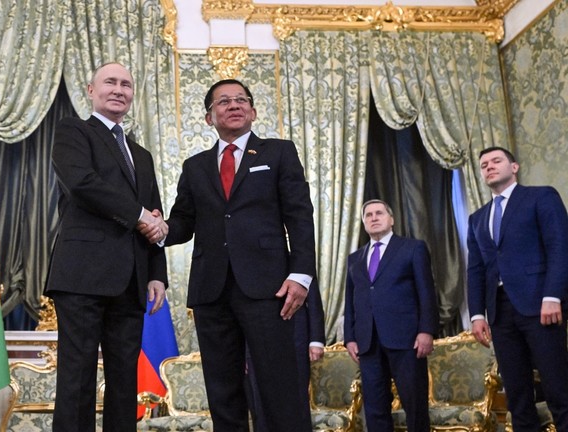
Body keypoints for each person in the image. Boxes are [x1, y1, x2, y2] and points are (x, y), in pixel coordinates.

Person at [144, 78, 321, 431]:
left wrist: (300, 275)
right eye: (223, 102)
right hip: (212, 291)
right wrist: (161, 228)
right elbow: (184, 221)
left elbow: (299, 216)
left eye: (241, 100)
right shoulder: (195, 167)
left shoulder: (278, 152)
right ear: (209, 117)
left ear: (253, 111)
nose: (234, 105)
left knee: (280, 386)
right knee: (223, 389)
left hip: (270, 288)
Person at [44, 62, 169, 432]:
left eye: (126, 84)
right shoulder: (74, 131)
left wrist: (157, 273)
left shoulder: (141, 155)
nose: (119, 90)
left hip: (131, 279)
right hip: (81, 274)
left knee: (124, 380)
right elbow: (82, 184)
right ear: (91, 90)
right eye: (110, 82)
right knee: (77, 376)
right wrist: (142, 216)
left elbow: (153, 214)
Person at [467, 146, 568, 432]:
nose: (489, 166)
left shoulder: (541, 197)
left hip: (540, 305)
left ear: (514, 167)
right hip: (500, 312)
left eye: (496, 161)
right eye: (484, 164)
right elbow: (475, 269)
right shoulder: (477, 218)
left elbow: (560, 248)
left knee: (557, 388)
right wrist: (476, 314)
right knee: (517, 395)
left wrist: (552, 296)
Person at [344, 199, 438, 432]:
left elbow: (426, 292)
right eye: (368, 215)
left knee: (414, 405)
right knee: (375, 409)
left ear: (391, 219)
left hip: (406, 339)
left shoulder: (412, 248)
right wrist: (350, 337)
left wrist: (426, 330)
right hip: (368, 342)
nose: (373, 218)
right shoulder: (354, 259)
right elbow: (350, 302)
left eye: (379, 213)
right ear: (364, 222)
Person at [245, 302, 325, 432]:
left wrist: (316, 339)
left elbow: (311, 292)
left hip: (294, 335)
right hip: (254, 339)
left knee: (297, 401)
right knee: (260, 406)